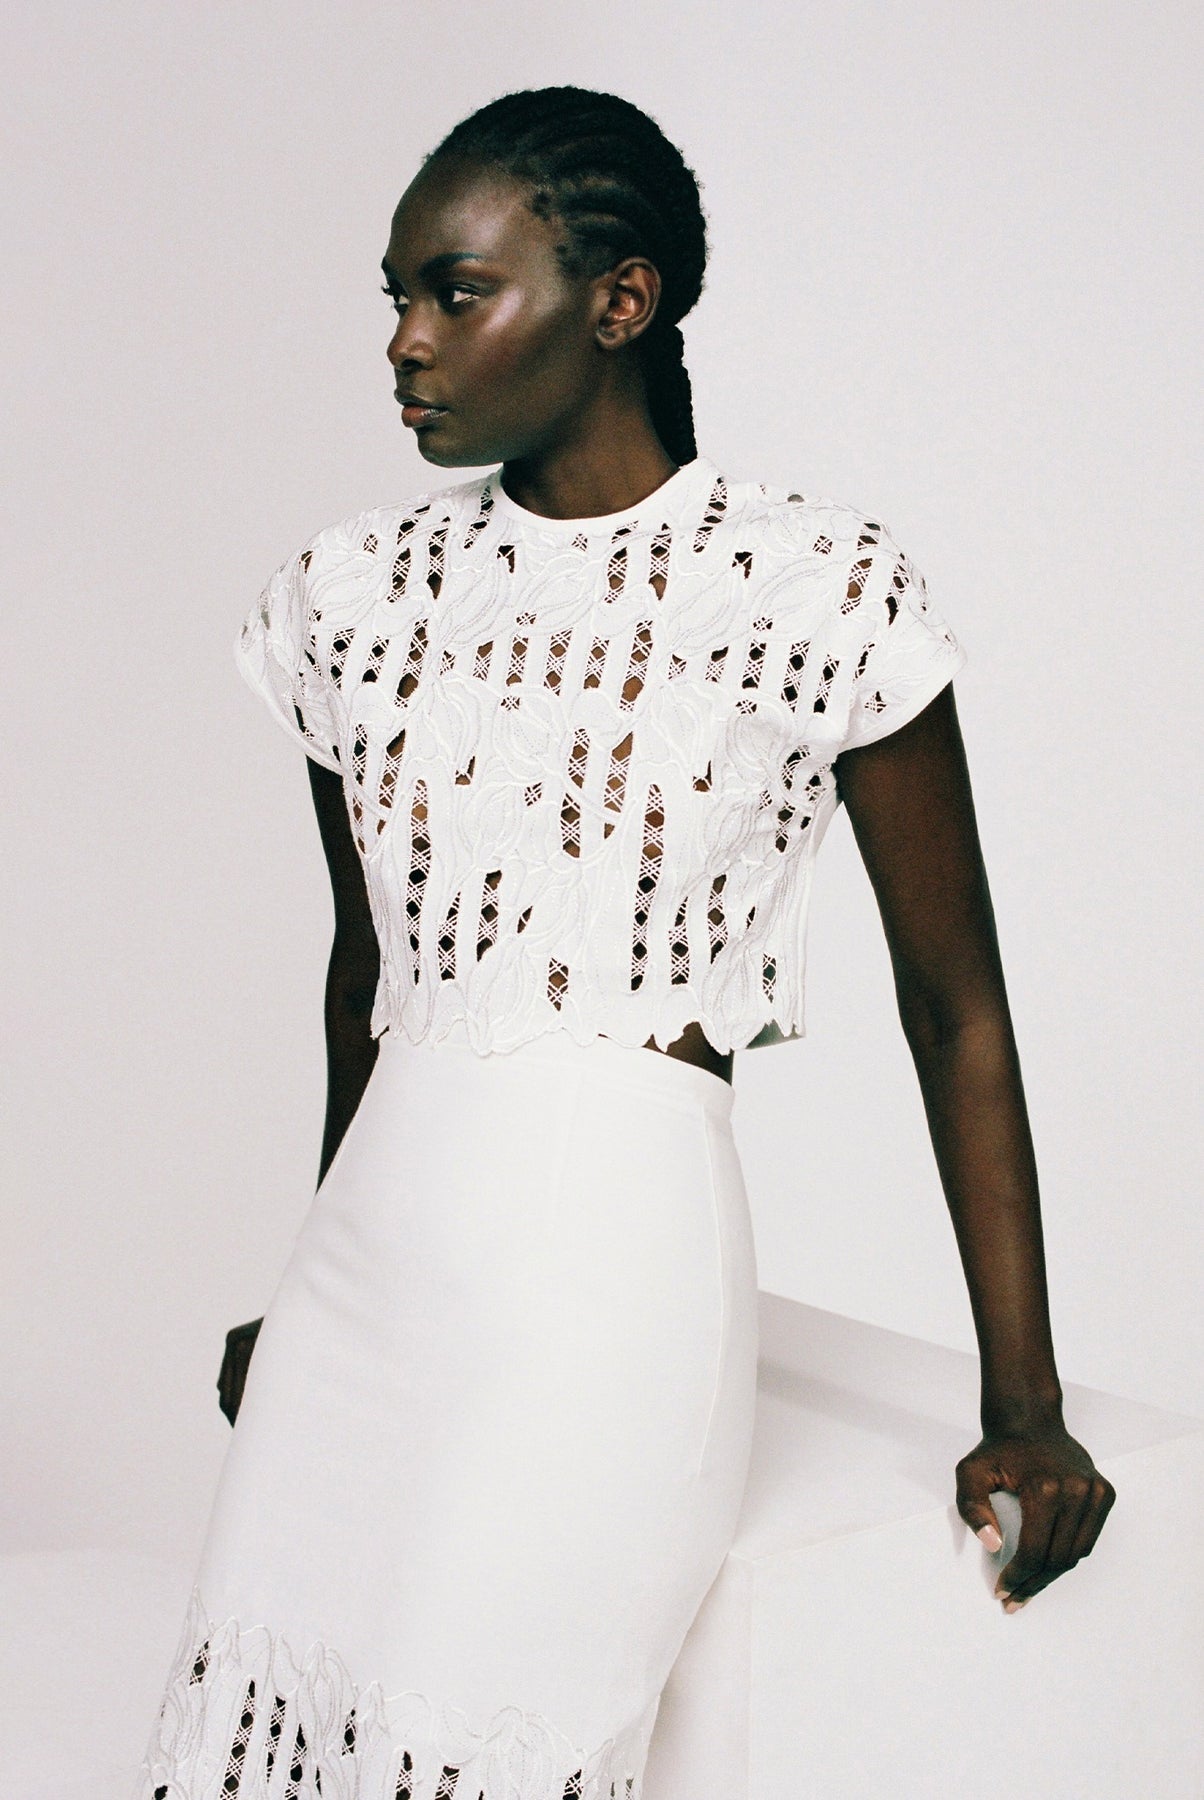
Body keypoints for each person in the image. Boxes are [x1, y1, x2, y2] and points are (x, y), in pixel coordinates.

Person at [136, 84, 1115, 1800]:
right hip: (368, 1271)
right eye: (397, 297)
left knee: (486, 1742)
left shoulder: (814, 589)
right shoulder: (352, 597)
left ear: (621, 301)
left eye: (455, 292)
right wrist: (299, 1292)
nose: (404, 342)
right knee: (266, 1749)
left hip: (605, 1287)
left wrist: (1022, 1406)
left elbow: (957, 1006)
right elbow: (366, 979)